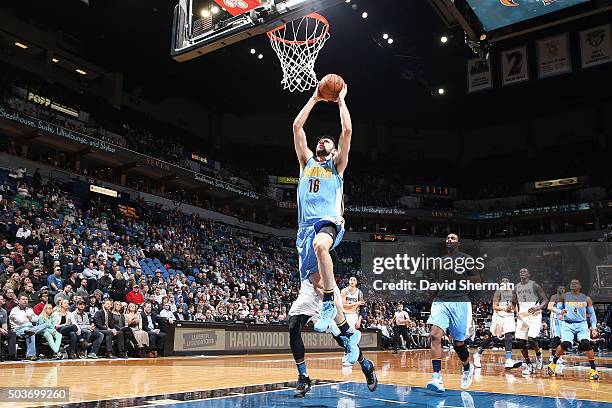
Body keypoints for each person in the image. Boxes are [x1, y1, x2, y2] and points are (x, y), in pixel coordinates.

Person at [292, 83, 360, 364]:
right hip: (304, 231)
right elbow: (297, 126)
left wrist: (341, 99)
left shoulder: (337, 166)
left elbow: (346, 132)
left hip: (329, 222)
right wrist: (315, 98)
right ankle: (349, 335)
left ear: (334, 152)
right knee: (315, 282)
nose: (323, 141)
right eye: (320, 140)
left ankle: (331, 302)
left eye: (327, 142)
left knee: (322, 244)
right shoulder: (306, 162)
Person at [287, 278, 377, 397]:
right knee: (293, 327)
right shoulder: (303, 259)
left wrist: (326, 297)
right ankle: (303, 377)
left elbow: (321, 280)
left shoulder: (323, 260)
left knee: (343, 340)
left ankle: (366, 365)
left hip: (326, 295)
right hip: (307, 296)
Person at [426, 233, 480, 393]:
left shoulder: (466, 259)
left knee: (458, 344)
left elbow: (477, 279)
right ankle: (437, 377)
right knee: (435, 335)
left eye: (453, 238)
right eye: (447, 238)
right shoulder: (439, 261)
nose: (449, 240)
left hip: (460, 302)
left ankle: (467, 367)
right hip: (441, 301)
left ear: (458, 243)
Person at [548, 279, 600, 380]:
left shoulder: (586, 299)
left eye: (576, 283)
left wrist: (594, 328)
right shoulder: (564, 296)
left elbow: (592, 315)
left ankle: (593, 370)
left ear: (580, 286)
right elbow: (557, 309)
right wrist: (560, 312)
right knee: (566, 344)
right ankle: (553, 364)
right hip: (568, 324)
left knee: (586, 343)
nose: (573, 284)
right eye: (572, 283)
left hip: (581, 324)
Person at [473, 277, 522, 370]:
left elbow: (514, 303)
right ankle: (478, 354)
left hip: (509, 316)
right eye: (503, 281)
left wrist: (517, 313)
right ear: (500, 283)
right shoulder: (498, 292)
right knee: (492, 337)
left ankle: (508, 360)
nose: (505, 283)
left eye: (506, 281)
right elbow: (495, 307)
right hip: (499, 316)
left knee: (509, 336)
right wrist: (504, 309)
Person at [513, 268, 547, 376]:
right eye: (520, 272)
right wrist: (515, 312)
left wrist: (538, 307)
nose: (522, 273)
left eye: (524, 272)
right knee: (521, 342)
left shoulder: (535, 285)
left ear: (529, 274)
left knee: (531, 339)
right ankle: (528, 365)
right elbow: (514, 303)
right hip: (522, 316)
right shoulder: (516, 287)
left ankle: (538, 355)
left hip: (534, 315)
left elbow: (545, 300)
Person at [9, 295, 47, 360]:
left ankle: (30, 355)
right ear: (19, 301)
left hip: (29, 329)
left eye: (26, 299)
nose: (25, 301)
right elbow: (20, 320)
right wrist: (30, 319)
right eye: (23, 299)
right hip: (18, 329)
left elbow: (36, 318)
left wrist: (30, 318)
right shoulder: (14, 310)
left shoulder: (30, 309)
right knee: (30, 330)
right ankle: (31, 355)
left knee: (46, 325)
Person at [547, 285, 567, 366]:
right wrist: (559, 312)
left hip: (563, 318)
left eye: (563, 288)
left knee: (562, 338)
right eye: (560, 288)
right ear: (557, 289)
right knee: (556, 337)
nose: (561, 289)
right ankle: (552, 356)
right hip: (554, 318)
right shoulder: (554, 297)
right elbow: (549, 307)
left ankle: (558, 356)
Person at [0, 294, 17, 361]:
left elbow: (4, 323)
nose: (0, 301)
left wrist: (5, 330)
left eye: (1, 299)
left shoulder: (3, 311)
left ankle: (11, 354)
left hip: (1, 329)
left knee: (12, 334)